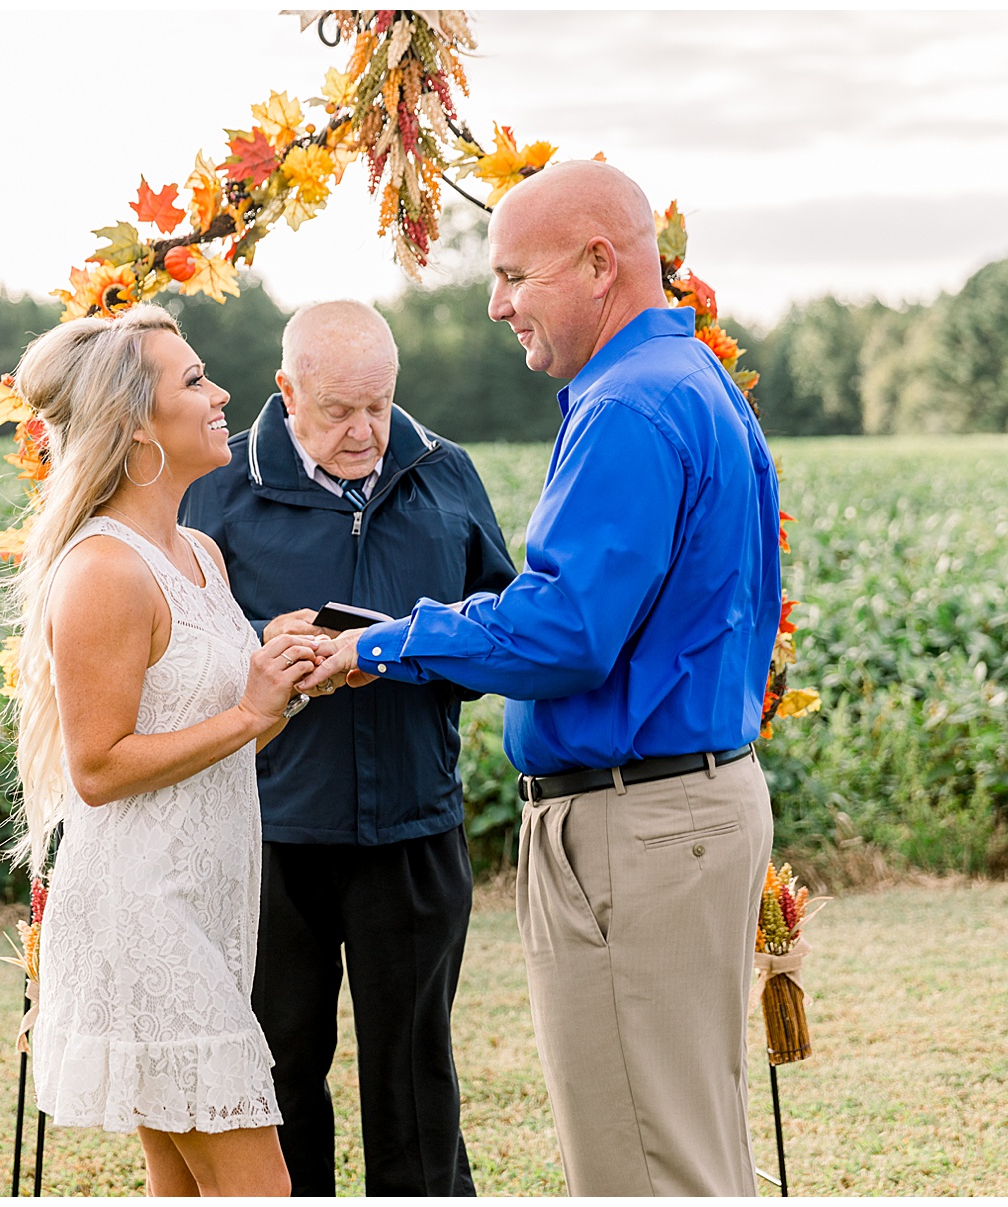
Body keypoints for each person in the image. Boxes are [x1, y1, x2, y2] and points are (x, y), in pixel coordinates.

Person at [301, 161, 783, 1196]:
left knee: (638, 1167)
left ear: (600, 264)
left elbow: (567, 632)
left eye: (515, 274)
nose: (496, 303)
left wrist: (383, 645)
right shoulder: (693, 380)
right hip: (690, 810)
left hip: (635, 826)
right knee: (689, 1145)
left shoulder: (628, 406)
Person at [180, 300, 515, 1196]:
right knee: (281, 1068)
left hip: (414, 826)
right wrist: (268, 647)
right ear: (287, 392)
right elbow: (174, 649)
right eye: (339, 411)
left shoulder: (446, 473)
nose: (366, 430)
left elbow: (505, 630)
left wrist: (403, 651)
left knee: (415, 1076)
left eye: (380, 404)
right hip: (268, 833)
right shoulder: (216, 488)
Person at [8, 304, 320, 1197]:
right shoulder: (104, 569)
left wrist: (287, 682)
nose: (222, 395)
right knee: (261, 1187)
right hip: (142, 915)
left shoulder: (201, 554)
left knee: (181, 1188)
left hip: (206, 904)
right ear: (136, 421)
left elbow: (218, 728)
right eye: (194, 380)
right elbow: (98, 768)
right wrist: (250, 711)